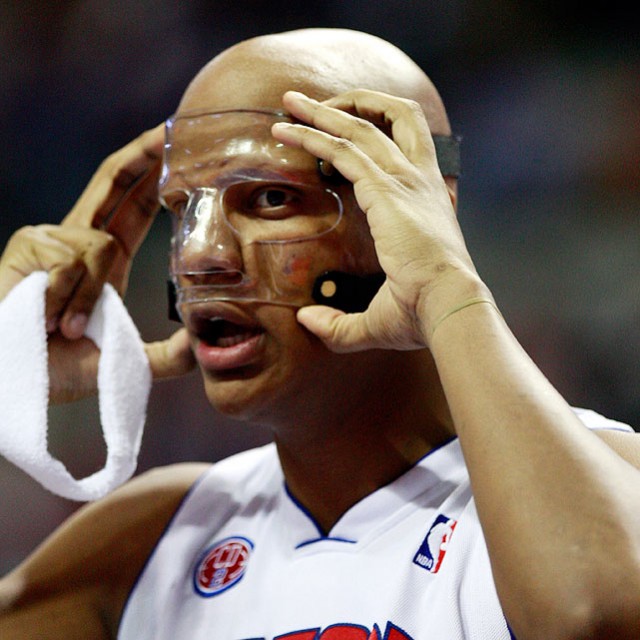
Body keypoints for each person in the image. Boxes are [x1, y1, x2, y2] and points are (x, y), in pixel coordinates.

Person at [0, 27, 639, 640]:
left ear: (422, 209)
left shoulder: (611, 477)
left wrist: (446, 287)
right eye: (182, 211)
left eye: (270, 198)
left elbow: (592, 616)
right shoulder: (155, 540)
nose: (199, 256)